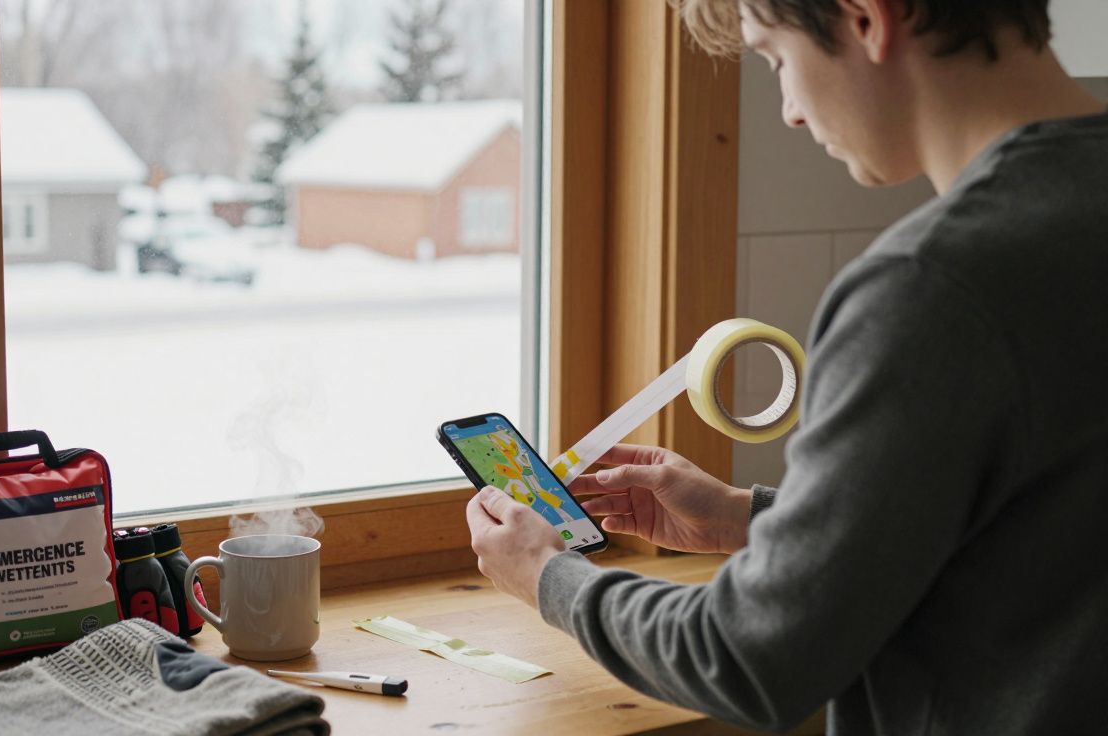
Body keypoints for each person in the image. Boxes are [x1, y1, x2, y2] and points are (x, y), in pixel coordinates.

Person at [464, 0, 1108, 733]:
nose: (791, 112)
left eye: (774, 57)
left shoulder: (929, 285)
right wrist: (754, 519)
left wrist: (549, 576)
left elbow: (750, 658)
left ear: (866, 19)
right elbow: (1036, 533)